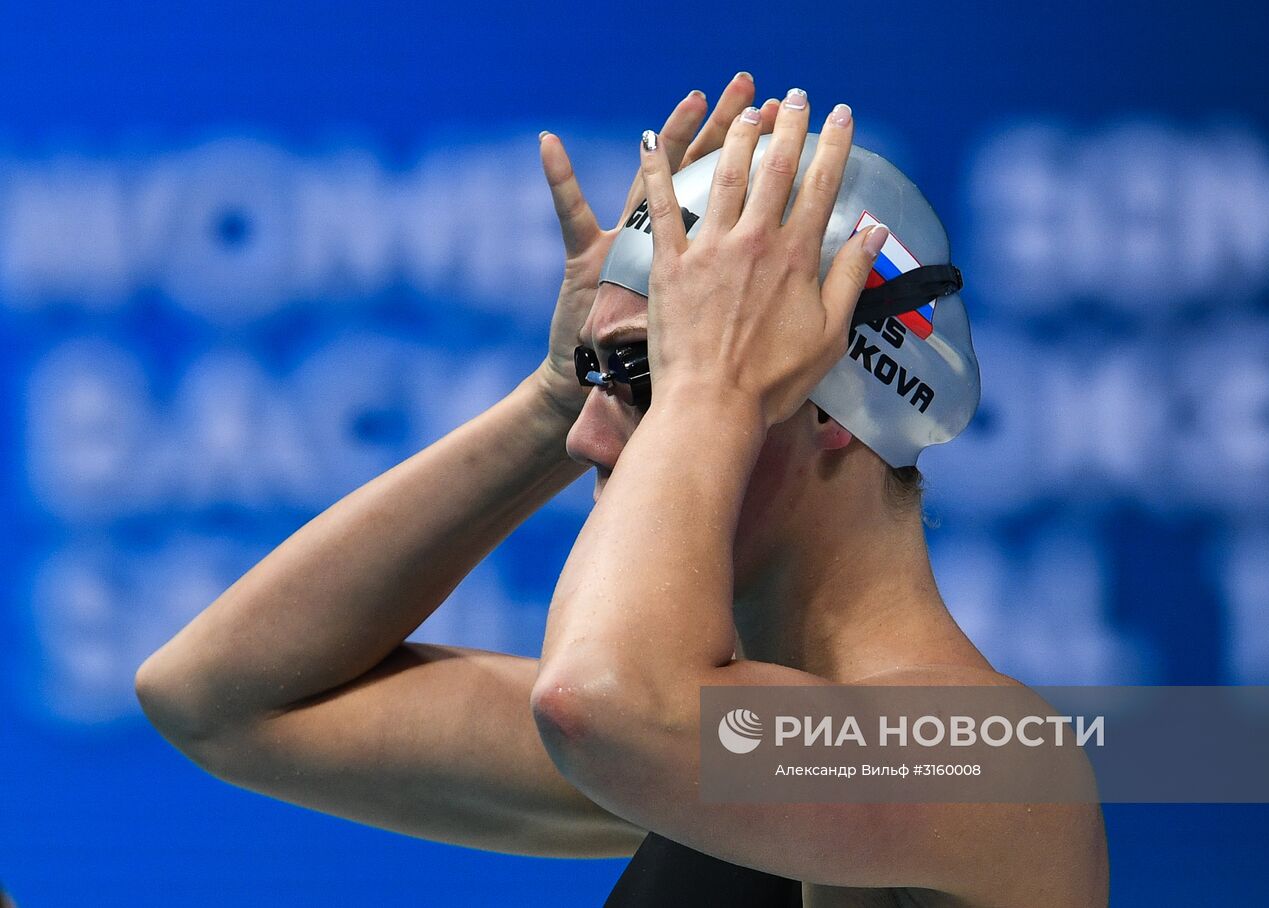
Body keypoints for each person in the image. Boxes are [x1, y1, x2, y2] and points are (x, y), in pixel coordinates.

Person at [135, 73, 1108, 907]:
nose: (587, 437)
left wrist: (701, 383)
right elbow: (221, 698)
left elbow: (597, 706)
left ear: (828, 409)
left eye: (639, 378)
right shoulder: (728, 749)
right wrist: (550, 391)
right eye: (598, 384)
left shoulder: (985, 759)